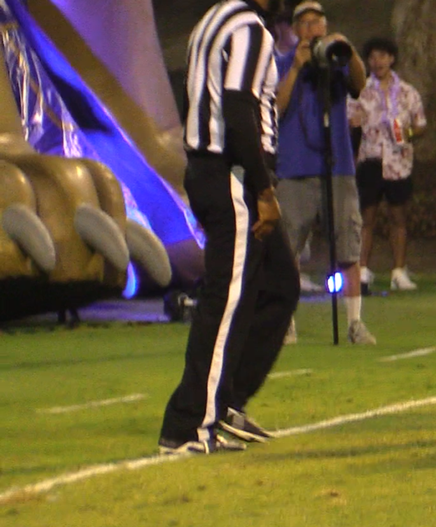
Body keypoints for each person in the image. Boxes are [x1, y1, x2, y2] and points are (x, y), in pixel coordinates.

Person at [159, 0, 298, 455]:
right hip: (232, 176)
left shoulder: (211, 20)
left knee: (279, 284)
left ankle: (225, 401)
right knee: (226, 301)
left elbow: (197, 96)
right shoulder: (250, 29)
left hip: (212, 169)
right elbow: (239, 105)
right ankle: (188, 425)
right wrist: (262, 188)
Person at [274, 1, 375, 344]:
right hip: (295, 169)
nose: (310, 29)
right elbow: (276, 107)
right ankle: (285, 322)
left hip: (338, 167)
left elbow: (359, 85)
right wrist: (297, 67)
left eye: (316, 22)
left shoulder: (336, 60)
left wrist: (349, 53)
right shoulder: (282, 62)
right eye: (303, 23)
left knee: (348, 243)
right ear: (293, 30)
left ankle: (354, 323)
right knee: (288, 247)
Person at [348, 37, 426, 292]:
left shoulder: (407, 91)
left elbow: (420, 123)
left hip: (399, 162)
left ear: (391, 58)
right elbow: (349, 119)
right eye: (372, 57)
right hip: (370, 160)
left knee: (398, 217)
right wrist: (354, 122)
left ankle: (398, 272)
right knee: (366, 218)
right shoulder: (359, 90)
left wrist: (408, 133)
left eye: (382, 56)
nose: (377, 61)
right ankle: (362, 271)